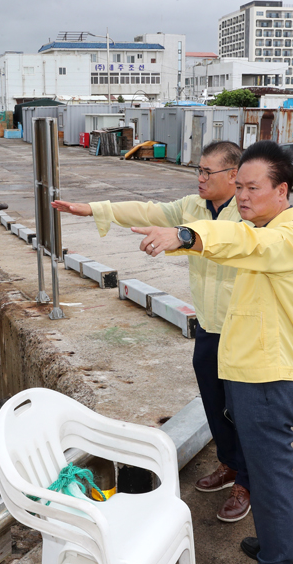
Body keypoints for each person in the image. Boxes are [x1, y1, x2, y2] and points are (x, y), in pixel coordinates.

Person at [133, 141, 293, 564]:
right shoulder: (262, 231)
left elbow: (243, 242)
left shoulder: (290, 237)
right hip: (249, 371)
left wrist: (184, 236)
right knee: (266, 471)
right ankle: (282, 548)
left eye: (252, 188)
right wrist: (181, 239)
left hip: (266, 378)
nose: (241, 197)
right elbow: (231, 247)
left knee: (269, 475)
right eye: (238, 187)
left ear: (282, 191)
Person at [51, 141, 254, 523]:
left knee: (242, 409)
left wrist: (185, 236)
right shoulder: (194, 206)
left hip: (242, 330)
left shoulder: (246, 213)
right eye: (198, 169)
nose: (200, 178)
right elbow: (149, 211)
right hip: (209, 325)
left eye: (207, 172)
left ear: (233, 176)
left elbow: (235, 245)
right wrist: (92, 209)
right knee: (214, 403)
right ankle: (229, 464)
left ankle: (247, 480)